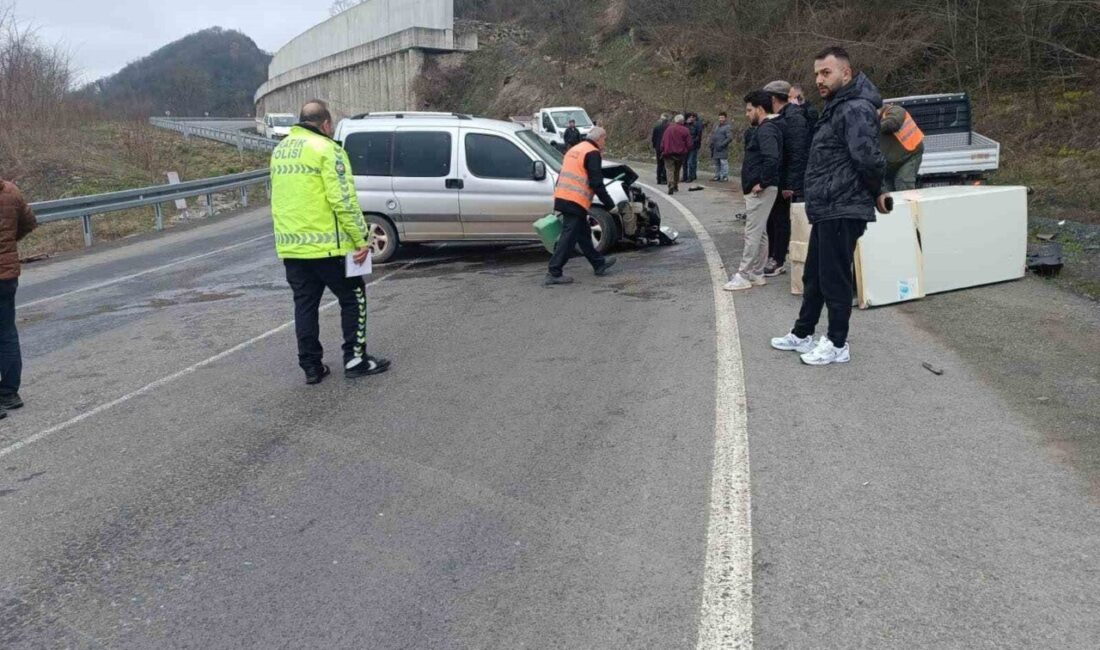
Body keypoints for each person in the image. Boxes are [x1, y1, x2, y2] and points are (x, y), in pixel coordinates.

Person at [771, 47, 888, 366]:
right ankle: (803, 332)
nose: (819, 80)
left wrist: (878, 190)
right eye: (816, 74)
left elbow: (868, 157)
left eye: (826, 73)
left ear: (846, 74)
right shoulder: (837, 107)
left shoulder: (855, 109)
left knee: (835, 278)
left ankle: (837, 343)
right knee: (815, 275)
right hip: (828, 205)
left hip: (844, 205)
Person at [271, 99, 390, 383]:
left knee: (305, 306)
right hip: (329, 247)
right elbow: (343, 200)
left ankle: (311, 367)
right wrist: (362, 239)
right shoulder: (327, 150)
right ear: (325, 124)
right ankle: (355, 359)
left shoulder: (280, 151)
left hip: (293, 248)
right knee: (354, 298)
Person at [724, 91, 783, 292]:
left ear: (759, 109)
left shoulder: (766, 130)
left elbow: (772, 158)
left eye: (749, 110)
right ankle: (757, 273)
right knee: (761, 232)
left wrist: (763, 182)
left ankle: (744, 273)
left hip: (760, 190)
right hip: (760, 189)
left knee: (752, 231)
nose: (747, 114)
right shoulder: (765, 130)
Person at [545, 126, 618, 285]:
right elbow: (596, 182)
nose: (604, 143)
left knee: (582, 234)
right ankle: (554, 271)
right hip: (575, 199)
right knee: (568, 237)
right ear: (599, 139)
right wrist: (610, 205)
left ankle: (598, 263)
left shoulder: (575, 149)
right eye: (604, 139)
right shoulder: (592, 152)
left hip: (564, 196)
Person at [762, 80, 810, 277]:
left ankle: (778, 258)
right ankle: (773, 254)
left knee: (781, 219)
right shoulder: (778, 116)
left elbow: (798, 153)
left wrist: (791, 184)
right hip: (778, 176)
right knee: (773, 217)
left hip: (787, 179)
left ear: (773, 98)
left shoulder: (794, 118)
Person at [0, 177, 37, 417]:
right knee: (6, 333)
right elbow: (29, 223)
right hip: (6, 275)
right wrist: (8, 243)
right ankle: (9, 394)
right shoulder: (11, 191)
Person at [880, 103, 925, 191]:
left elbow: (892, 124)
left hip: (910, 156)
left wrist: (870, 126)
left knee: (904, 184)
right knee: (887, 193)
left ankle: (910, 204)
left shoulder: (895, 110)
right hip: (889, 164)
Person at [660, 114, 693, 195]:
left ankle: (670, 184)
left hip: (668, 153)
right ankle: (675, 185)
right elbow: (689, 144)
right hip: (680, 154)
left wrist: (662, 149)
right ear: (682, 121)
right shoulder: (685, 130)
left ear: (675, 121)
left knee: (669, 169)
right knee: (677, 170)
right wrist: (687, 150)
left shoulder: (668, 129)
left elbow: (663, 141)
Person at [709, 112, 733, 182]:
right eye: (719, 118)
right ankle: (717, 176)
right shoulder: (717, 126)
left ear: (725, 118)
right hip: (715, 148)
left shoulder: (727, 127)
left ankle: (725, 177)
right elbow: (714, 135)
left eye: (722, 118)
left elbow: (729, 138)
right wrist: (712, 143)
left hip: (722, 148)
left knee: (723, 163)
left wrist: (722, 145)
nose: (720, 119)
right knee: (717, 163)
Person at [684, 113, 704, 182]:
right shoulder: (685, 125)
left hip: (693, 146)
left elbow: (698, 136)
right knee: (685, 162)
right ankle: (685, 176)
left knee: (691, 162)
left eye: (692, 117)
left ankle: (691, 176)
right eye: (690, 117)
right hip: (685, 146)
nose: (691, 118)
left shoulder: (697, 125)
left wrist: (692, 142)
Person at [651, 113, 670, 184]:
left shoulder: (657, 127)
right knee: (666, 163)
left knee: (659, 164)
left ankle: (658, 179)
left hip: (658, 147)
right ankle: (664, 178)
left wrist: (654, 146)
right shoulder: (669, 128)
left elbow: (653, 138)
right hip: (666, 147)